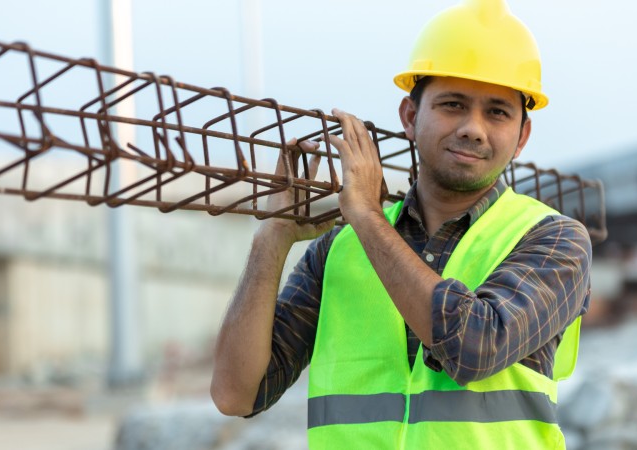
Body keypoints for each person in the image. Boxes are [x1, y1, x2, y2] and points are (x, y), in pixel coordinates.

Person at [211, 0, 592, 448]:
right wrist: (272, 236)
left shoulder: (554, 240)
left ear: (521, 136)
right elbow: (236, 394)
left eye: (497, 112)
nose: (473, 128)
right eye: (453, 104)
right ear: (411, 118)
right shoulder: (340, 251)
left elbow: (474, 348)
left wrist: (367, 216)